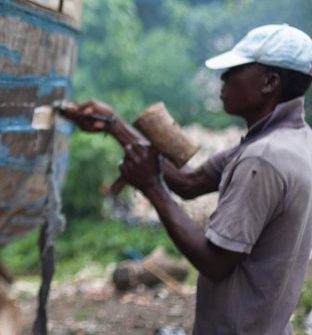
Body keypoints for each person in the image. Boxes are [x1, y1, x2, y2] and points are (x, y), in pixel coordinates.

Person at [63, 24, 312, 334]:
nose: (224, 79)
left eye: (235, 70)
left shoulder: (262, 159)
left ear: (270, 82)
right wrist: (114, 125)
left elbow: (214, 262)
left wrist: (152, 188)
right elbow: (189, 183)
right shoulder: (293, 141)